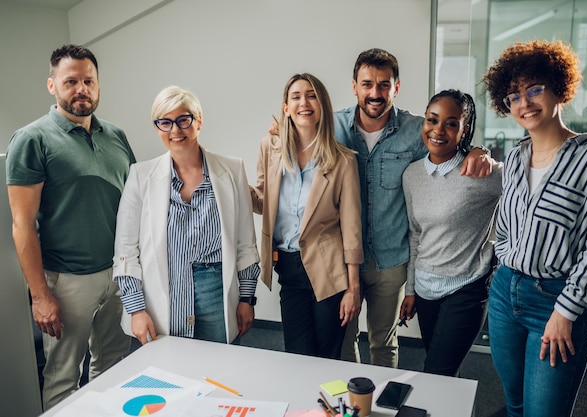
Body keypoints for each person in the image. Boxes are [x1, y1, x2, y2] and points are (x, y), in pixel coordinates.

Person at [483, 39, 587, 417]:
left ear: (558, 88)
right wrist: (504, 264)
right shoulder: (514, 159)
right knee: (514, 404)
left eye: (535, 90)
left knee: (544, 412)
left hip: (558, 301)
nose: (525, 103)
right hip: (505, 293)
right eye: (514, 96)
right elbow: (505, 225)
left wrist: (566, 310)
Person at [335, 48, 493, 367]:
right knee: (343, 341)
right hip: (344, 260)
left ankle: (382, 413)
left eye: (383, 84)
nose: (375, 93)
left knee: (383, 342)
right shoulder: (334, 128)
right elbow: (301, 140)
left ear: (396, 87)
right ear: (354, 86)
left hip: (391, 259)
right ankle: (351, 410)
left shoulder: (416, 128)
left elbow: (451, 138)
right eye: (367, 84)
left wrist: (480, 149)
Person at [5, 44, 135, 410]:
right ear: (52, 86)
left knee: (113, 367)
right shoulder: (32, 139)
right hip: (66, 281)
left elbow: (132, 203)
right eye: (71, 81)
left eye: (89, 81)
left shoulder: (116, 136)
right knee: (63, 376)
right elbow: (22, 225)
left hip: (119, 274)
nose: (82, 89)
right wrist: (40, 296)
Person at [113, 86, 261, 347]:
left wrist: (246, 299)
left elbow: (246, 244)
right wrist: (136, 309)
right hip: (163, 294)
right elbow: (126, 251)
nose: (175, 130)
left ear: (199, 119)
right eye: (165, 122)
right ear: (157, 127)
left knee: (220, 374)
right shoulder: (140, 175)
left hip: (216, 293)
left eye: (183, 119)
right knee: (169, 377)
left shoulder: (232, 170)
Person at [250, 73, 363, 359]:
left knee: (327, 356)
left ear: (322, 105)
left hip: (329, 270)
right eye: (296, 96)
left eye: (311, 95)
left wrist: (353, 288)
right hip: (288, 268)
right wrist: (229, 181)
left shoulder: (343, 160)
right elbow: (263, 201)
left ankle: (327, 405)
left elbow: (351, 229)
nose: (304, 102)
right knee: (297, 355)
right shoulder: (269, 148)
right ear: (286, 107)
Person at [399, 90, 502, 377]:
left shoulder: (483, 173)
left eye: (451, 123)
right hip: (424, 289)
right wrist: (409, 290)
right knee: (441, 374)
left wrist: (484, 153)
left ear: (464, 129)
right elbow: (415, 235)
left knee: (436, 372)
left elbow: (526, 187)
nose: (438, 130)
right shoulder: (411, 175)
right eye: (432, 120)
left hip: (466, 288)